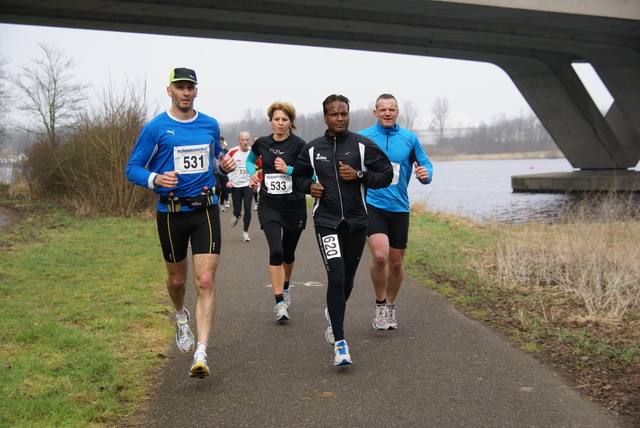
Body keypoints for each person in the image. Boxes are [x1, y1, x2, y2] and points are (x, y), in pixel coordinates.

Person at [125, 67, 236, 379]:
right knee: (177, 281)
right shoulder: (156, 128)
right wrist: (155, 178)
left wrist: (224, 163)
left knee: (205, 281)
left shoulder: (210, 124)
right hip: (171, 212)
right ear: (169, 90)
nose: (185, 92)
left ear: (197, 91)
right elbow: (132, 167)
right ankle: (180, 315)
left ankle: (200, 353)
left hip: (205, 209)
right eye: (180, 87)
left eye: (190, 87)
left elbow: (217, 156)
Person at [293, 94, 393, 366]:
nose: (339, 118)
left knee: (347, 280)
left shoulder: (362, 146)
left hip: (357, 223)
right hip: (326, 222)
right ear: (324, 117)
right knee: (336, 277)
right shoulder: (313, 149)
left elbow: (386, 175)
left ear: (348, 115)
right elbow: (298, 177)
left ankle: (332, 314)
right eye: (334, 114)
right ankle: (340, 343)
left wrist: (360, 175)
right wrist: (308, 187)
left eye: (344, 113)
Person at [359, 94, 433, 331]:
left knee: (397, 262)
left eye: (391, 109)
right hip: (372, 204)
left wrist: (426, 175)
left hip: (399, 207)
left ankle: (390, 306)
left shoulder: (409, 138)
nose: (387, 113)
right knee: (380, 256)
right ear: (375, 112)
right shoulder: (364, 137)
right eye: (383, 110)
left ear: (397, 112)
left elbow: (425, 163)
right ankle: (380, 304)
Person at [247, 102, 307, 322]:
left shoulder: (300, 145)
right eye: (276, 119)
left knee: (289, 254)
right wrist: (252, 175)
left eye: (284, 120)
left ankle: (287, 285)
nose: (280, 124)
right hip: (269, 203)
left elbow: (310, 174)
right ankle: (279, 302)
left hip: (294, 205)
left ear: (291, 122)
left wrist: (289, 169)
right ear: (270, 121)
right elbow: (250, 161)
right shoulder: (262, 143)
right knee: (276, 250)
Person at [227, 131, 256, 242]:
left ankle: (245, 233)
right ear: (239, 140)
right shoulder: (232, 151)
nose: (245, 142)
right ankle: (237, 215)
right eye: (243, 140)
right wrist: (228, 181)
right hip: (236, 184)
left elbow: (259, 164)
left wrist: (255, 178)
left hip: (247, 184)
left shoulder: (252, 152)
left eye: (247, 140)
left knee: (248, 208)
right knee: (237, 210)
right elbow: (225, 166)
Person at [215, 137, 230, 211]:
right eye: (219, 142)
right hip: (216, 173)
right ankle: (216, 202)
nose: (220, 143)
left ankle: (222, 204)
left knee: (224, 189)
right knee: (217, 188)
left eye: (221, 142)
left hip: (224, 173)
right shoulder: (214, 151)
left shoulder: (226, 151)